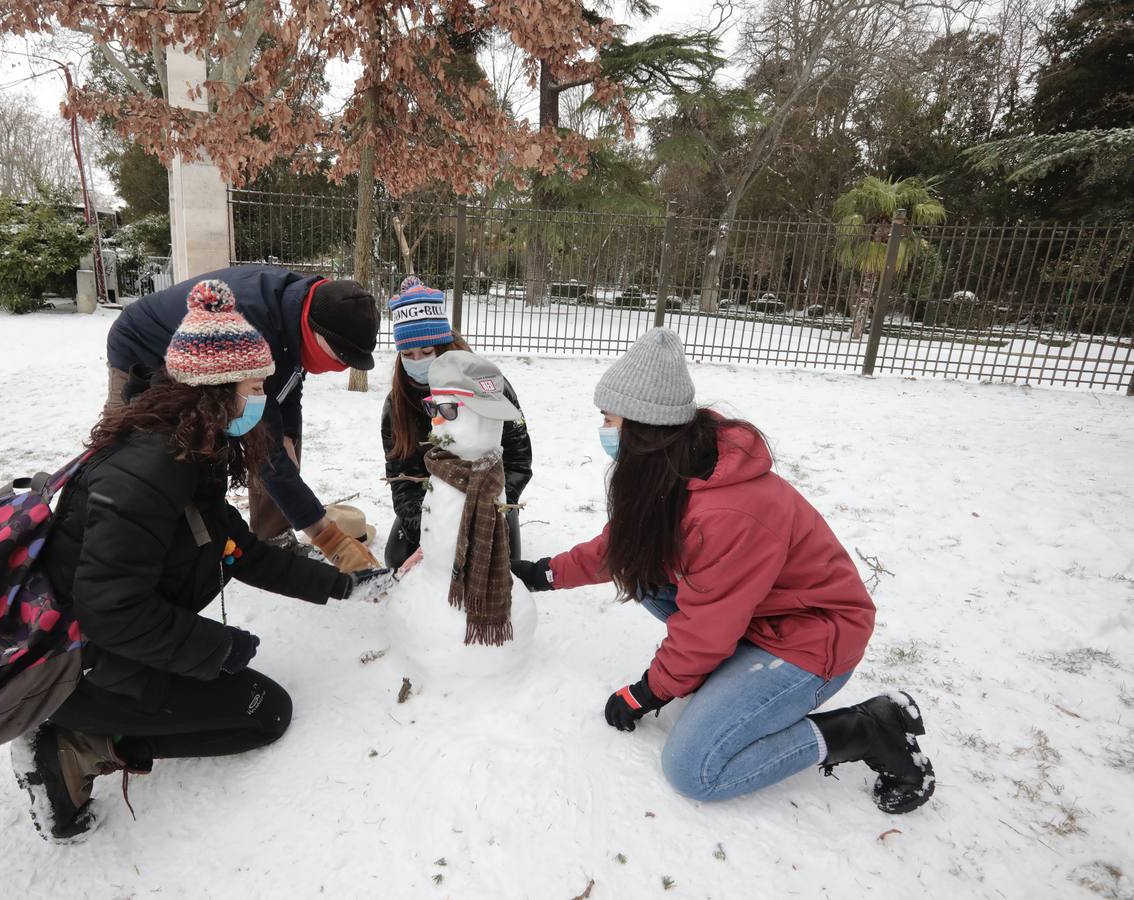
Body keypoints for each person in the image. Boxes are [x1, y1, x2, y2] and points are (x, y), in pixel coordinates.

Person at [14, 279, 390, 842]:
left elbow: (239, 552)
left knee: (256, 702)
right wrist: (218, 649)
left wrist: (345, 586)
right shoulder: (146, 473)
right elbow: (109, 611)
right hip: (81, 658)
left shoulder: (193, 451)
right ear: (216, 391)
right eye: (255, 386)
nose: (263, 399)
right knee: (266, 714)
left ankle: (102, 715)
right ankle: (74, 738)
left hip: (126, 637)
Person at [510, 328, 935, 814]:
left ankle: (867, 729)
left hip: (810, 638)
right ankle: (729, 676)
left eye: (609, 418)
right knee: (647, 572)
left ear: (642, 425)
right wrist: (545, 573)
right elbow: (626, 545)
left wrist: (647, 692)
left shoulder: (727, 514)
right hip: (754, 616)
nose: (604, 428)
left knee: (694, 770)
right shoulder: (671, 465)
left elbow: (706, 628)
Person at [106, 265, 381, 572]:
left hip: (212, 354)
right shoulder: (255, 326)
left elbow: (291, 380)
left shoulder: (306, 308)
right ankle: (126, 551)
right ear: (314, 330)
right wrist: (331, 540)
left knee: (276, 444)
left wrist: (289, 433)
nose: (344, 365)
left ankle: (272, 537)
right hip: (144, 347)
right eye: (342, 355)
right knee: (139, 456)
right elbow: (265, 446)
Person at [380, 276, 532, 568]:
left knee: (504, 568)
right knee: (398, 560)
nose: (418, 361)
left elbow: (518, 462)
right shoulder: (396, 406)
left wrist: (485, 509)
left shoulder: (489, 389)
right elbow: (401, 481)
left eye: (427, 352)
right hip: (430, 504)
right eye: (408, 354)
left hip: (488, 497)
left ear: (445, 346)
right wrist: (432, 528)